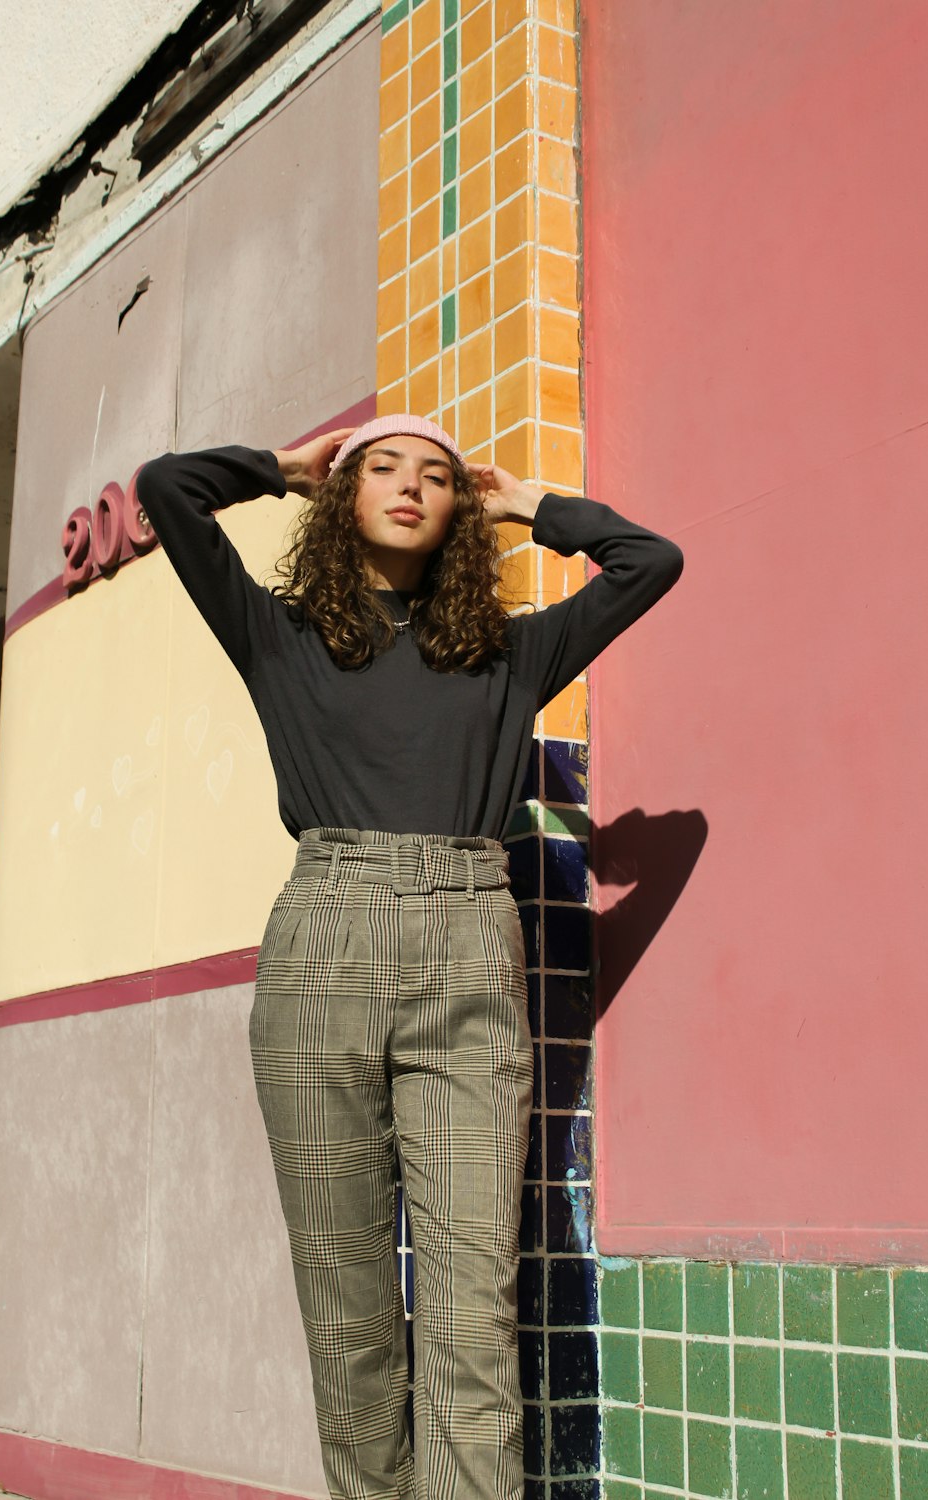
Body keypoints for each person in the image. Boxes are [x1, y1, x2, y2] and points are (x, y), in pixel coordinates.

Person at [135, 414, 683, 1500]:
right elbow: (165, 489)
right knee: (346, 1306)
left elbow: (649, 562)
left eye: (435, 476)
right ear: (342, 500)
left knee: (473, 1308)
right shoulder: (279, 636)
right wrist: (283, 471)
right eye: (381, 467)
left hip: (468, 950)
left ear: (458, 514)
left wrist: (530, 504)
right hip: (323, 946)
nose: (409, 485)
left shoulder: (508, 652)